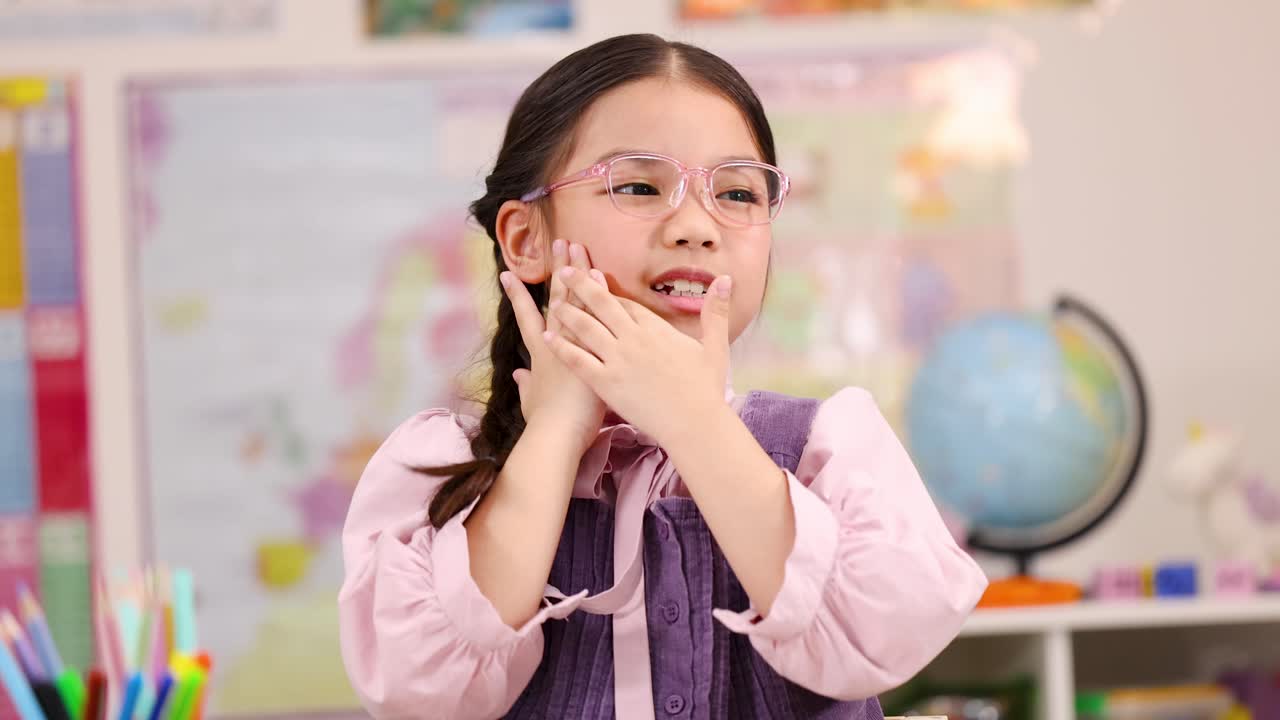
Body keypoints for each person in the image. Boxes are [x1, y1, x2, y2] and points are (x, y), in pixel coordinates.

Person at [338, 33, 987, 720]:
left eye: (737, 192)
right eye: (640, 186)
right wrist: (557, 430)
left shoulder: (828, 449)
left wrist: (694, 421)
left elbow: (882, 639)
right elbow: (423, 692)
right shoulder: (439, 468)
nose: (696, 226)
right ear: (524, 238)